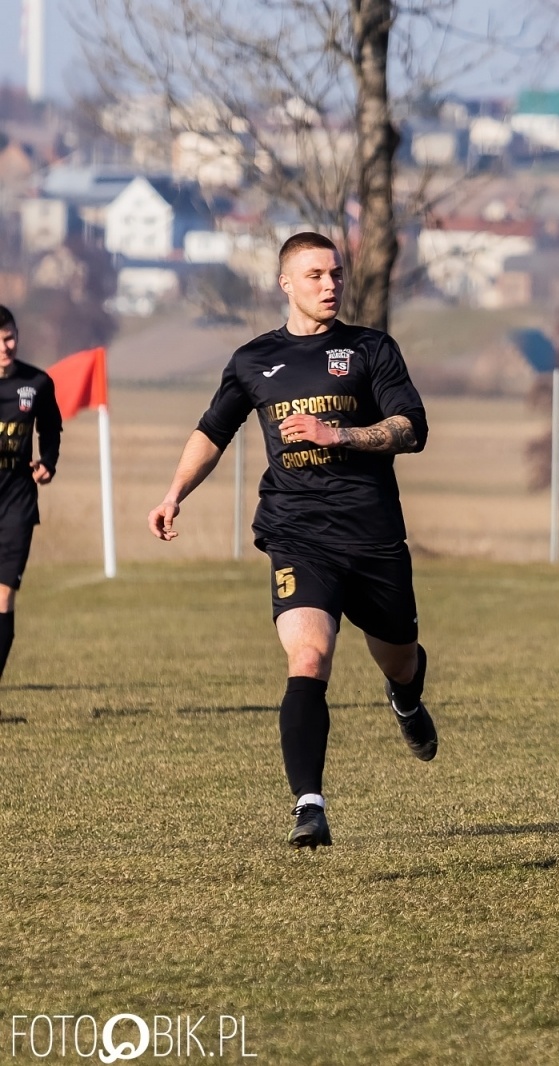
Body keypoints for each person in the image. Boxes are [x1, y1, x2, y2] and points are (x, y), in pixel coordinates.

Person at [147, 232, 436, 849]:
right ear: (285, 283)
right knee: (308, 658)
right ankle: (310, 806)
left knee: (401, 659)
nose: (329, 285)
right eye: (314, 276)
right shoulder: (253, 360)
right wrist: (174, 492)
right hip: (297, 534)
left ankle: (406, 699)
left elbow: (411, 428)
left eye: (335, 274)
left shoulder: (370, 349)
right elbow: (212, 431)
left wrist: (341, 436)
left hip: (373, 535)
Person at [0, 307, 62, 687]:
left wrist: (48, 462)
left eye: (9, 338)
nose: (5, 348)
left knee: (3, 599)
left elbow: (51, 427)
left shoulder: (36, 383)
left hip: (16, 504)